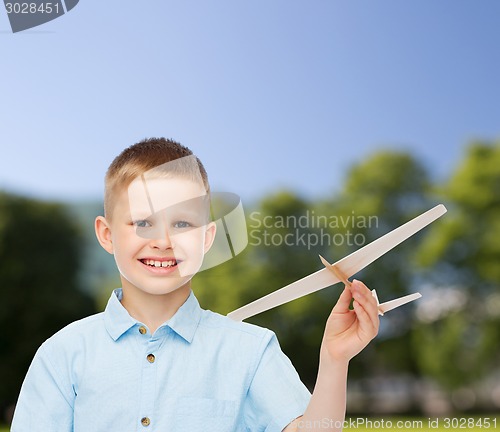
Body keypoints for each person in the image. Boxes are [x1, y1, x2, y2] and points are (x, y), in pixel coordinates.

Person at [11, 138, 380, 432]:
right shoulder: (62, 355)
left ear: (206, 239)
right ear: (107, 235)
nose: (163, 241)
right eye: (143, 223)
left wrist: (334, 361)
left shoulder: (251, 351)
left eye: (183, 224)